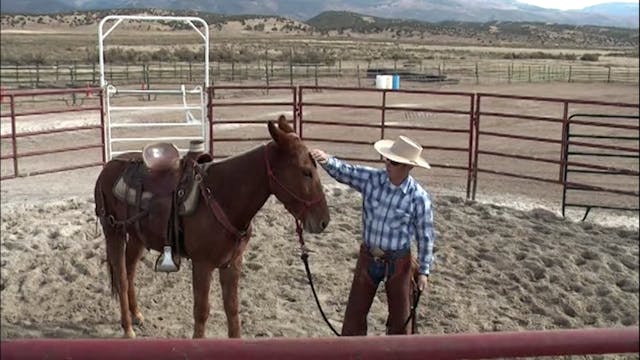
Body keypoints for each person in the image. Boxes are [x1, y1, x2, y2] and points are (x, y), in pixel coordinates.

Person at [310, 135, 435, 336]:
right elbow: (347, 172)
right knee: (354, 316)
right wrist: (325, 159)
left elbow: (425, 235)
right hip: (369, 257)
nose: (387, 164)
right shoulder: (372, 179)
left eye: (393, 162)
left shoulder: (419, 198)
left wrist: (423, 271)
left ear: (407, 167)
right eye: (386, 159)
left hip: (399, 263)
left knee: (401, 320)